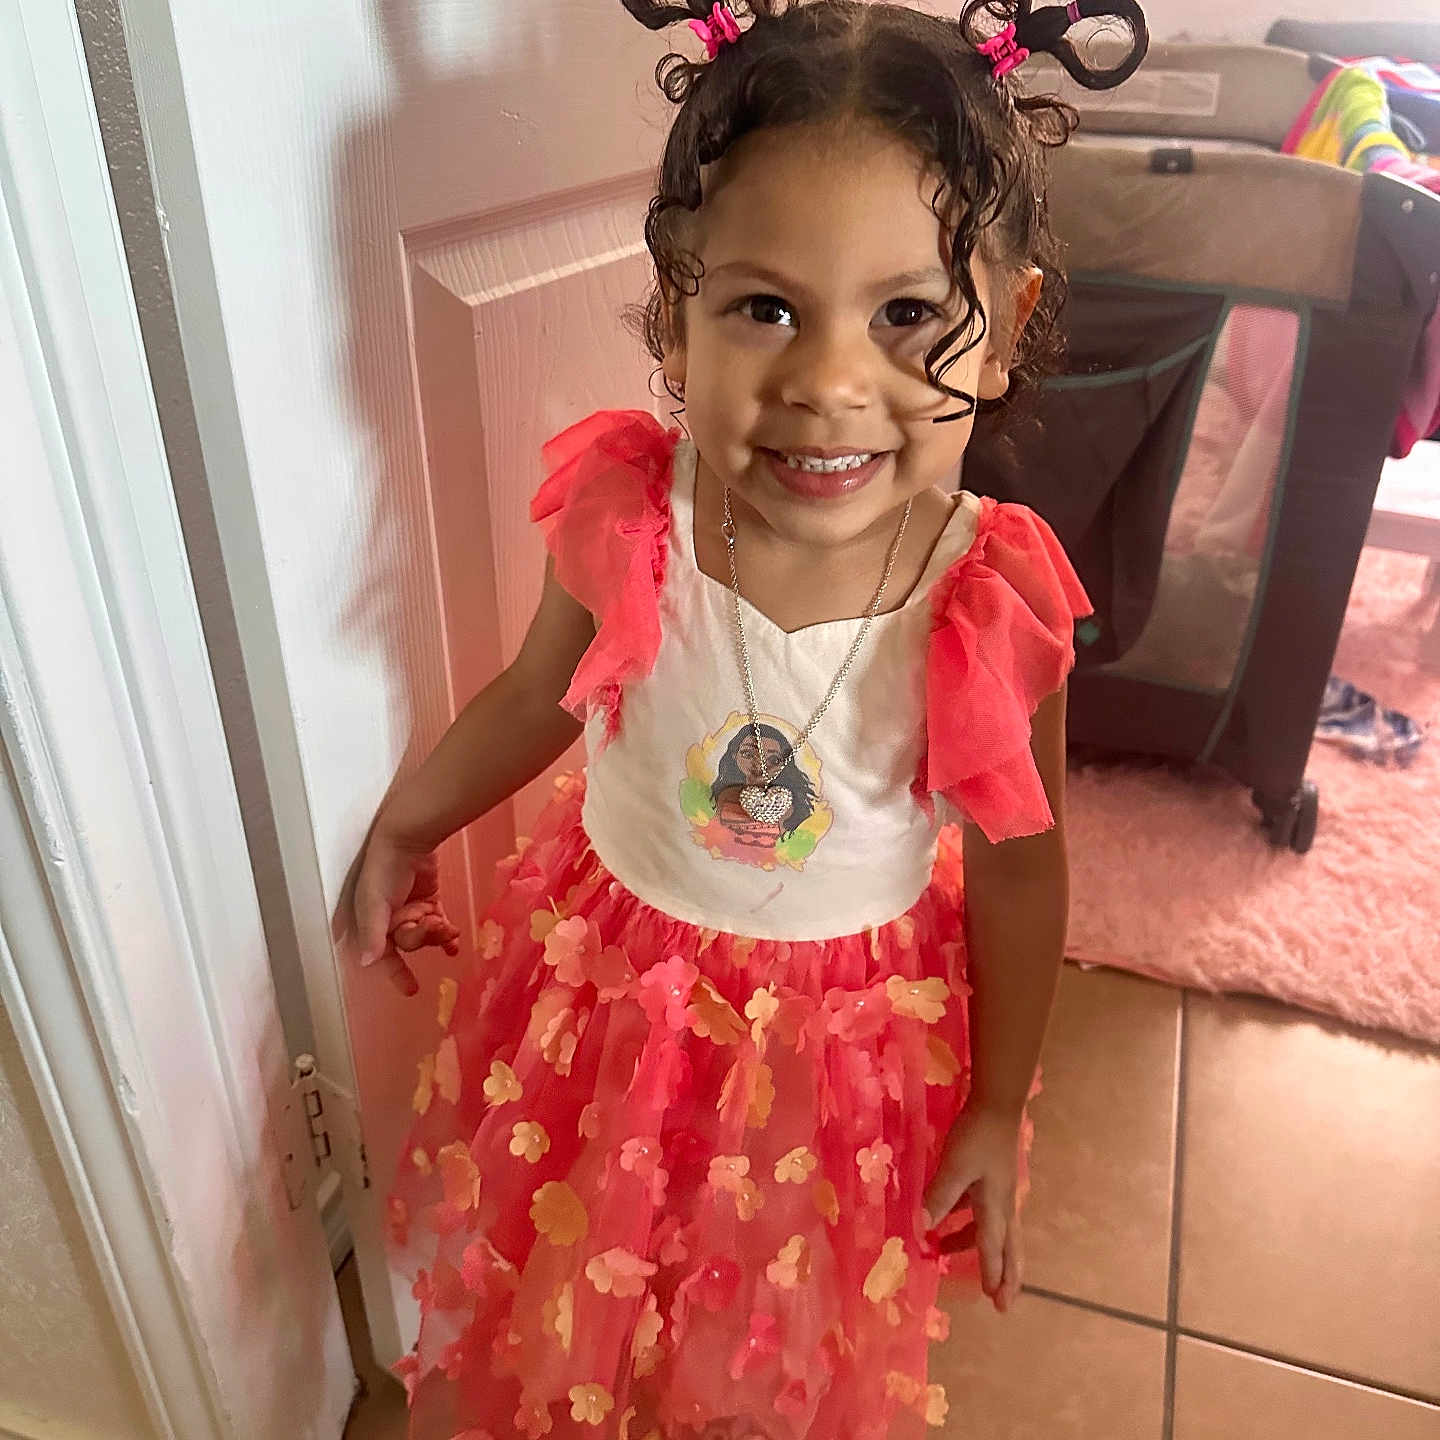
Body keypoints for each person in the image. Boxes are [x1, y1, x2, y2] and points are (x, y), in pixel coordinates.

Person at [351, 2, 1147, 1436]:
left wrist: (995, 1106)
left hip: (833, 1051)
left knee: (764, 1333)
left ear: (1006, 326)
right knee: (577, 1268)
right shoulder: (628, 511)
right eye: (764, 306)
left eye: (908, 314)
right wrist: (407, 825)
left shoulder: (985, 597)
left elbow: (1023, 865)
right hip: (609, 989)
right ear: (675, 308)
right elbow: (537, 697)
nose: (829, 383)